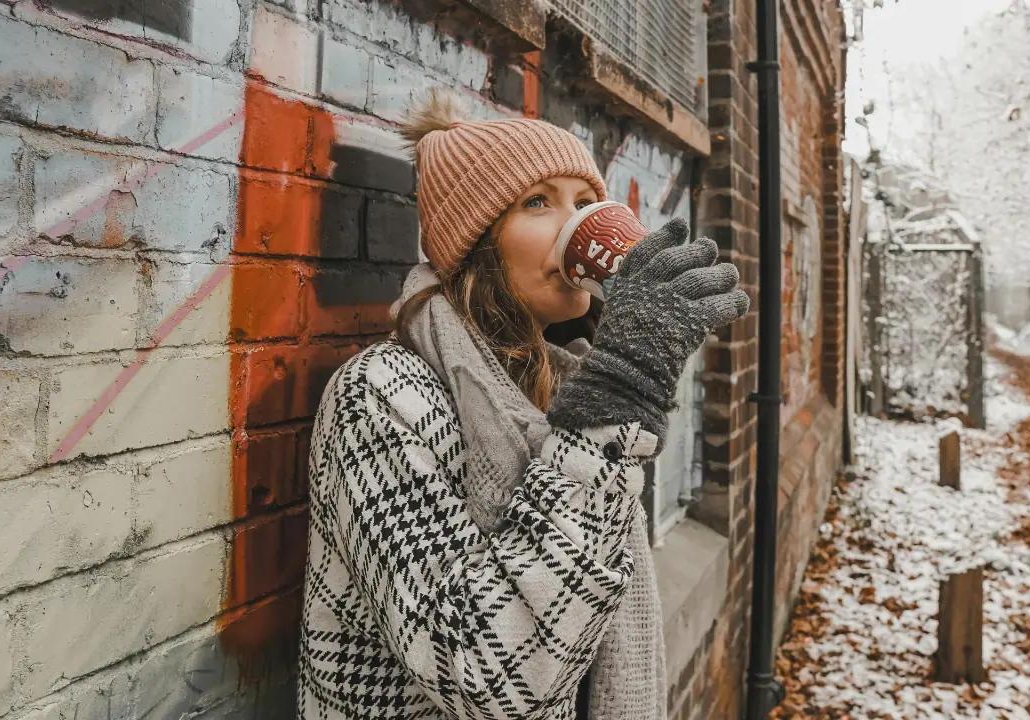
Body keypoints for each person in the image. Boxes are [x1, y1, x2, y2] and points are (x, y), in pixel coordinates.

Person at [296, 88, 750, 719]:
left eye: (587, 202)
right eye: (537, 202)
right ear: (476, 243)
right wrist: (623, 388)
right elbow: (490, 677)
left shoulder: (566, 385)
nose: (574, 223)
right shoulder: (381, 395)